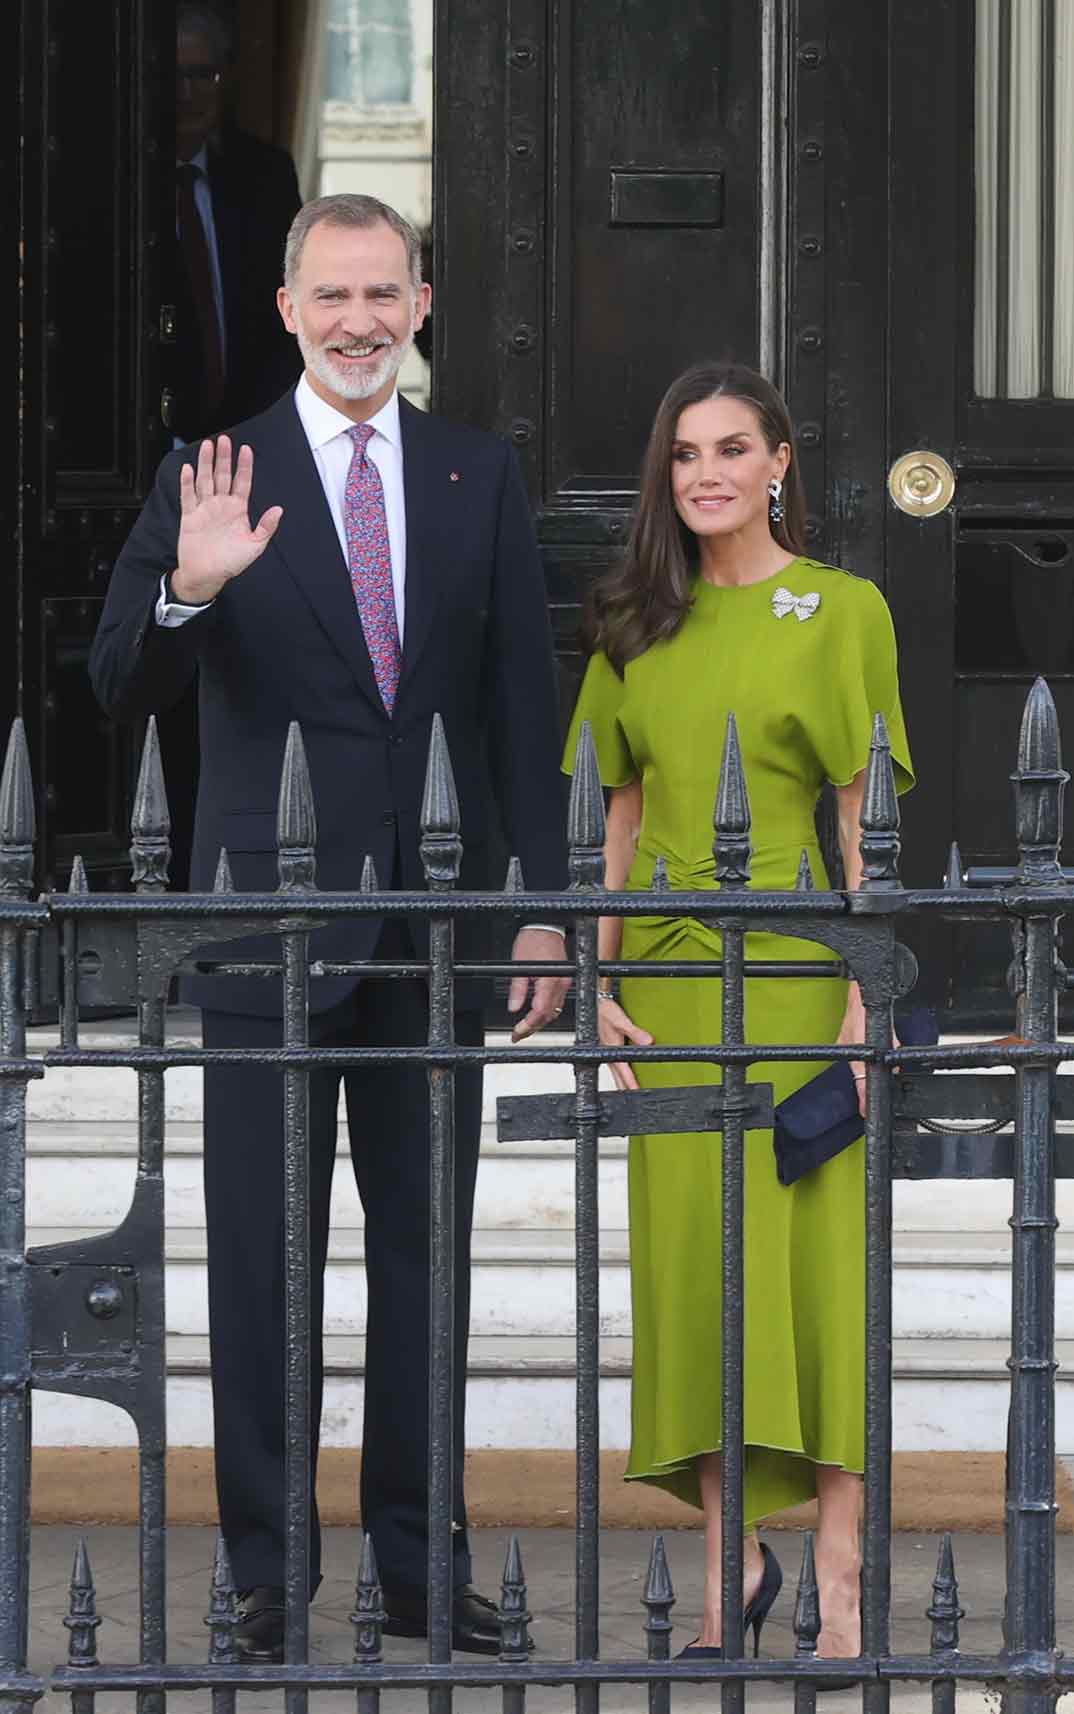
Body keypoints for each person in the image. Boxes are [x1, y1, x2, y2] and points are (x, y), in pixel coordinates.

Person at [89, 192, 570, 1660]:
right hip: (264, 935)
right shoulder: (210, 468)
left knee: (423, 1261)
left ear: (421, 305)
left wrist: (542, 916)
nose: (359, 320)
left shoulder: (477, 473)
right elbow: (116, 682)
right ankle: (262, 1574)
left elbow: (515, 714)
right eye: (331, 295)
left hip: (433, 938)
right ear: (289, 309)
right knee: (262, 1265)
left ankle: (422, 1573)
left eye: (385, 293)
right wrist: (188, 584)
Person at [562, 362, 913, 1661]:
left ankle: (841, 1567)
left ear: (778, 465)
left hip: (796, 975)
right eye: (681, 454)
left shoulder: (844, 608)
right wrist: (596, 983)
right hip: (662, 989)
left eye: (730, 449)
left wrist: (861, 1006)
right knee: (694, 1279)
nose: (703, 472)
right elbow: (616, 816)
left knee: (821, 1282)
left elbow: (855, 818)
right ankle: (730, 1567)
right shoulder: (630, 620)